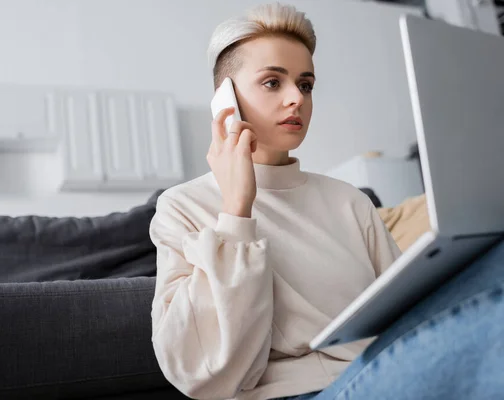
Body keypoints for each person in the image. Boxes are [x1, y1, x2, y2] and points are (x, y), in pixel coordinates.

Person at [148, 3, 504, 400]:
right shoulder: (182, 207)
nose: (296, 99)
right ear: (225, 102)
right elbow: (201, 374)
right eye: (272, 82)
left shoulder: (349, 200)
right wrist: (236, 211)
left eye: (305, 84)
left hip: (383, 361)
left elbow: (403, 310)